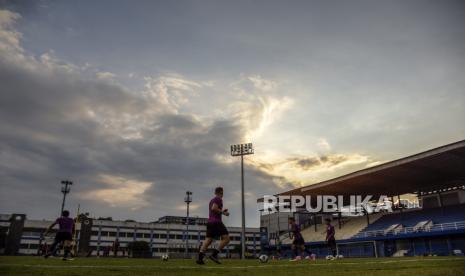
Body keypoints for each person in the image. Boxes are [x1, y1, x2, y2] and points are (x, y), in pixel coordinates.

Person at [196, 187, 230, 265]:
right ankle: (214, 255)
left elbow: (214, 210)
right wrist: (224, 213)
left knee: (208, 240)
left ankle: (200, 259)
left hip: (210, 222)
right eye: (222, 193)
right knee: (226, 239)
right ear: (221, 192)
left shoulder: (212, 200)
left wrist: (221, 211)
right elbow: (214, 208)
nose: (223, 194)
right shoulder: (218, 199)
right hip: (216, 222)